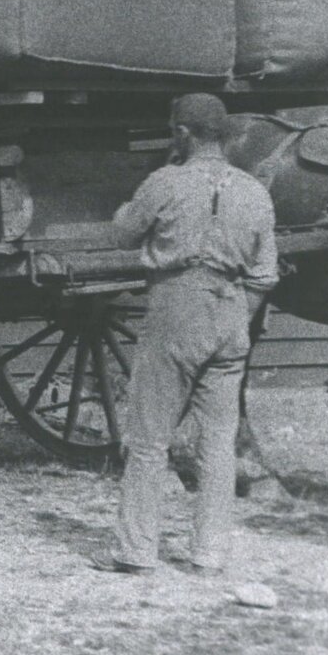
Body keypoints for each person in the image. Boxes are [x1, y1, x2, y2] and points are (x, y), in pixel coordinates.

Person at [92, 93, 278, 576]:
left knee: (150, 438)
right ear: (224, 135)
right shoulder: (255, 191)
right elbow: (264, 273)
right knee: (217, 442)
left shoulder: (165, 183)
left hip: (176, 308)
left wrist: (121, 212)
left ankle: (135, 550)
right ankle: (210, 553)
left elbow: (123, 235)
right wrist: (235, 314)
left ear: (181, 133)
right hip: (232, 313)